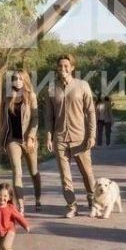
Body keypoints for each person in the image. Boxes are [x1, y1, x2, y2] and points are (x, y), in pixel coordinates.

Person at [43, 53, 97, 218]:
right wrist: (48, 136)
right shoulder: (51, 89)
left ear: (72, 67)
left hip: (80, 138)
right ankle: (71, 206)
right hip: (60, 138)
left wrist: (91, 135)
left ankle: (93, 200)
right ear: (57, 68)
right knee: (65, 176)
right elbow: (48, 116)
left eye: (66, 66)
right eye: (60, 66)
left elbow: (90, 112)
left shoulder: (82, 85)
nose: (63, 68)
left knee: (87, 173)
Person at [0, 68, 41, 213]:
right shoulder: (7, 96)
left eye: (20, 78)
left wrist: (31, 137)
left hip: (28, 140)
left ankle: (38, 198)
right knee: (17, 171)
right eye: (15, 78)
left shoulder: (31, 96)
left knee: (34, 172)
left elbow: (35, 119)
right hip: (12, 139)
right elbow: (3, 120)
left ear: (25, 80)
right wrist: (1, 140)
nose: (17, 81)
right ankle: (21, 206)